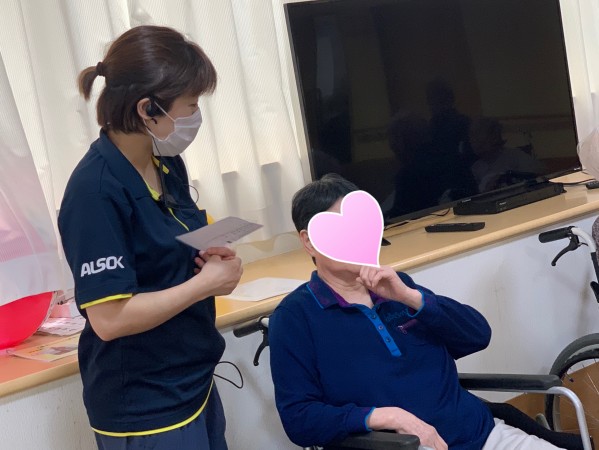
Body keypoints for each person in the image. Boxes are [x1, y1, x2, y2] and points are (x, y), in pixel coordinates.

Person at [269, 173, 582, 450]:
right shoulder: (295, 317)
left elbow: (477, 336)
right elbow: (299, 418)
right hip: (400, 446)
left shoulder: (398, 288)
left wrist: (410, 297)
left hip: (482, 435)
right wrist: (387, 417)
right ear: (309, 242)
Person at [58, 25, 243, 450]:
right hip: (146, 405)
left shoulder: (164, 161)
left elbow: (172, 242)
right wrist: (205, 285)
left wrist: (214, 256)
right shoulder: (94, 192)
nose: (196, 116)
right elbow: (109, 320)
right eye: (191, 105)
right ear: (148, 109)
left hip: (191, 381)